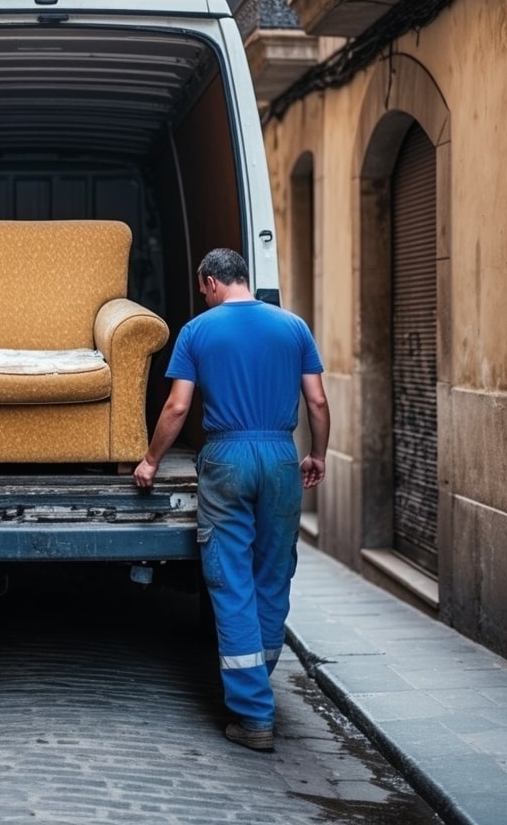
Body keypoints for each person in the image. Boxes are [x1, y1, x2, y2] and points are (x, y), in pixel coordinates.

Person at [134, 248, 329, 754]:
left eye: (203, 289)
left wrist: (152, 461)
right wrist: (319, 455)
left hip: (227, 458)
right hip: (282, 455)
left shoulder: (198, 331)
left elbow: (178, 406)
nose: (203, 296)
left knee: (230, 577)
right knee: (272, 571)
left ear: (209, 282)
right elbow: (319, 402)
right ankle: (260, 680)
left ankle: (253, 714)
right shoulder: (293, 327)